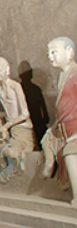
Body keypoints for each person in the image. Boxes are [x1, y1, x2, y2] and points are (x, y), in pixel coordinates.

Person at [41, 37, 77, 206]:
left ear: (70, 52)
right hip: (64, 128)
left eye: (54, 52)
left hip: (75, 128)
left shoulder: (75, 73)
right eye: (48, 53)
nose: (50, 56)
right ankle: (49, 165)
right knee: (47, 139)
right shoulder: (63, 75)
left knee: (70, 153)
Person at [0, 56, 35, 183]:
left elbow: (25, 114)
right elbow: (8, 111)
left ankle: (10, 155)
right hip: (11, 130)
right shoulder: (0, 88)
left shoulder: (15, 86)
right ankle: (2, 145)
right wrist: (2, 121)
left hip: (23, 130)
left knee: (10, 152)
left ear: (6, 69)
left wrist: (6, 126)